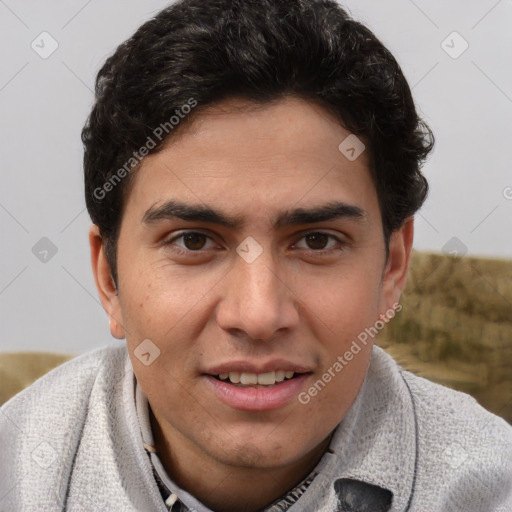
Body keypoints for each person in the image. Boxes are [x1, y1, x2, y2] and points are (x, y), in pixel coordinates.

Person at [1, 0, 511, 510]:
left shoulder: (488, 488)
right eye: (194, 241)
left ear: (393, 266)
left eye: (316, 241)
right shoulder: (18, 473)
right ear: (109, 277)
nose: (259, 314)